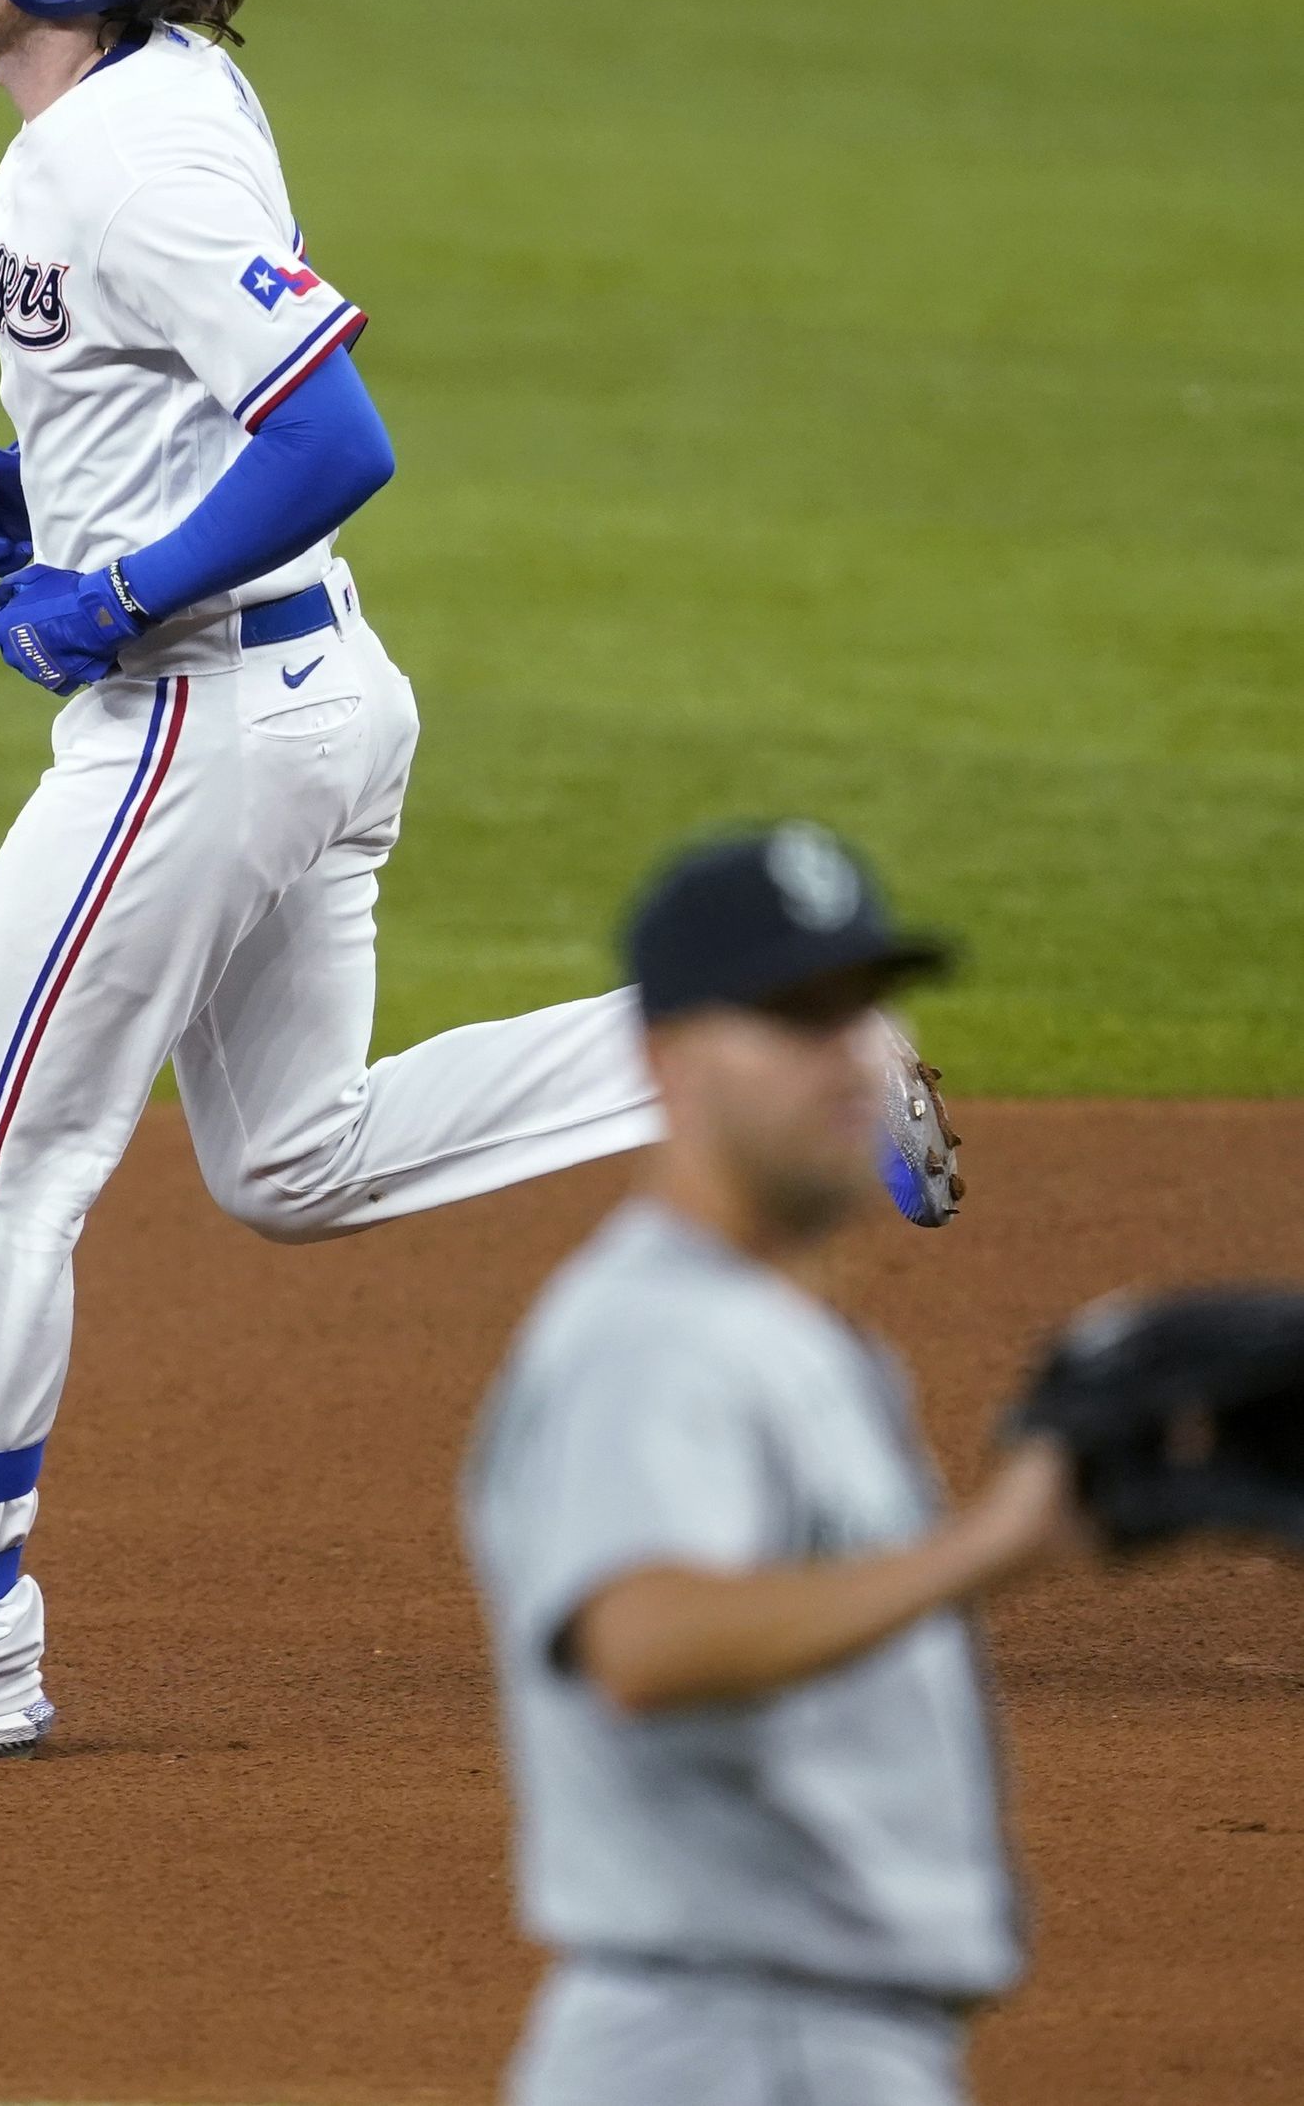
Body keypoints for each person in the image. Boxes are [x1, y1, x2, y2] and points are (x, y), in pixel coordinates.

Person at [0, 0, 962, 1760]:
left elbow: (332, 434)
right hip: (308, 689)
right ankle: (789, 1053)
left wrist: (112, 585)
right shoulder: (150, 94)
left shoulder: (129, 165)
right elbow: (194, 391)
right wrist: (50, 499)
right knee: (291, 1158)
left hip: (199, 718)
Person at [465, 823, 1077, 2103]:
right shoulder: (649, 1337)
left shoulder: (794, 1336)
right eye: (793, 1017)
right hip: (734, 2048)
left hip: (801, 2039)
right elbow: (648, 1637)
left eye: (861, 1007)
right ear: (663, 1060)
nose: (849, 1054)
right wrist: (989, 1546)